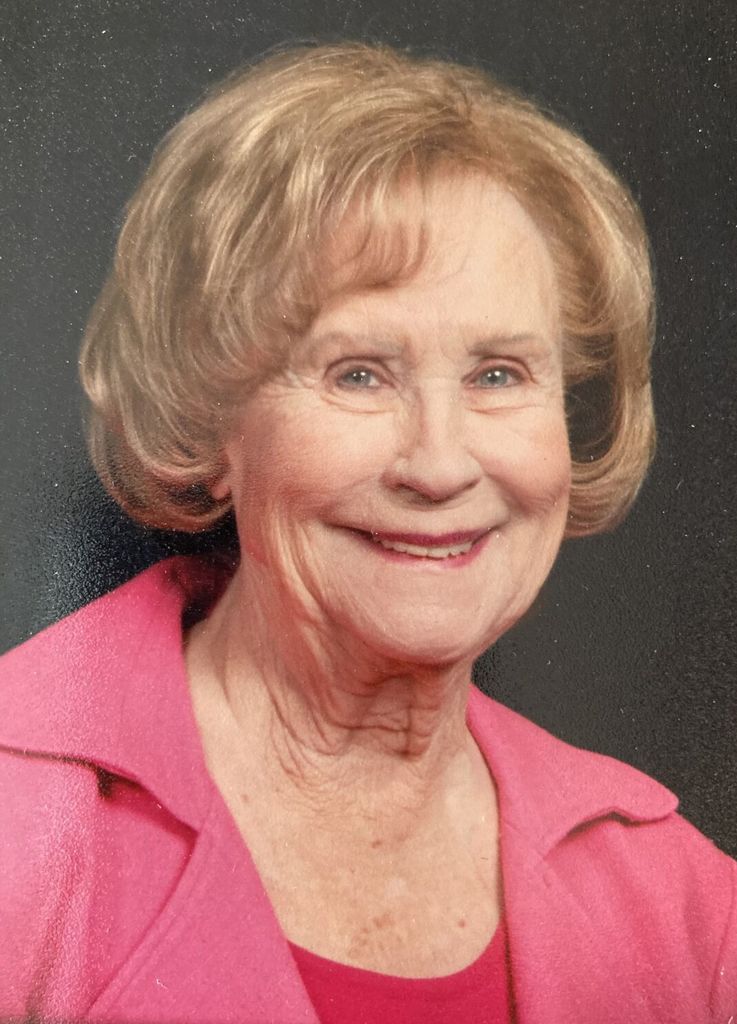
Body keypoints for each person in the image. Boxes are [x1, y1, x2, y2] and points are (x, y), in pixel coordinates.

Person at [0, 41, 734, 1024]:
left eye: (498, 374)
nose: (438, 464)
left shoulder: (679, 901)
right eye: (357, 373)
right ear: (211, 422)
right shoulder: (20, 825)